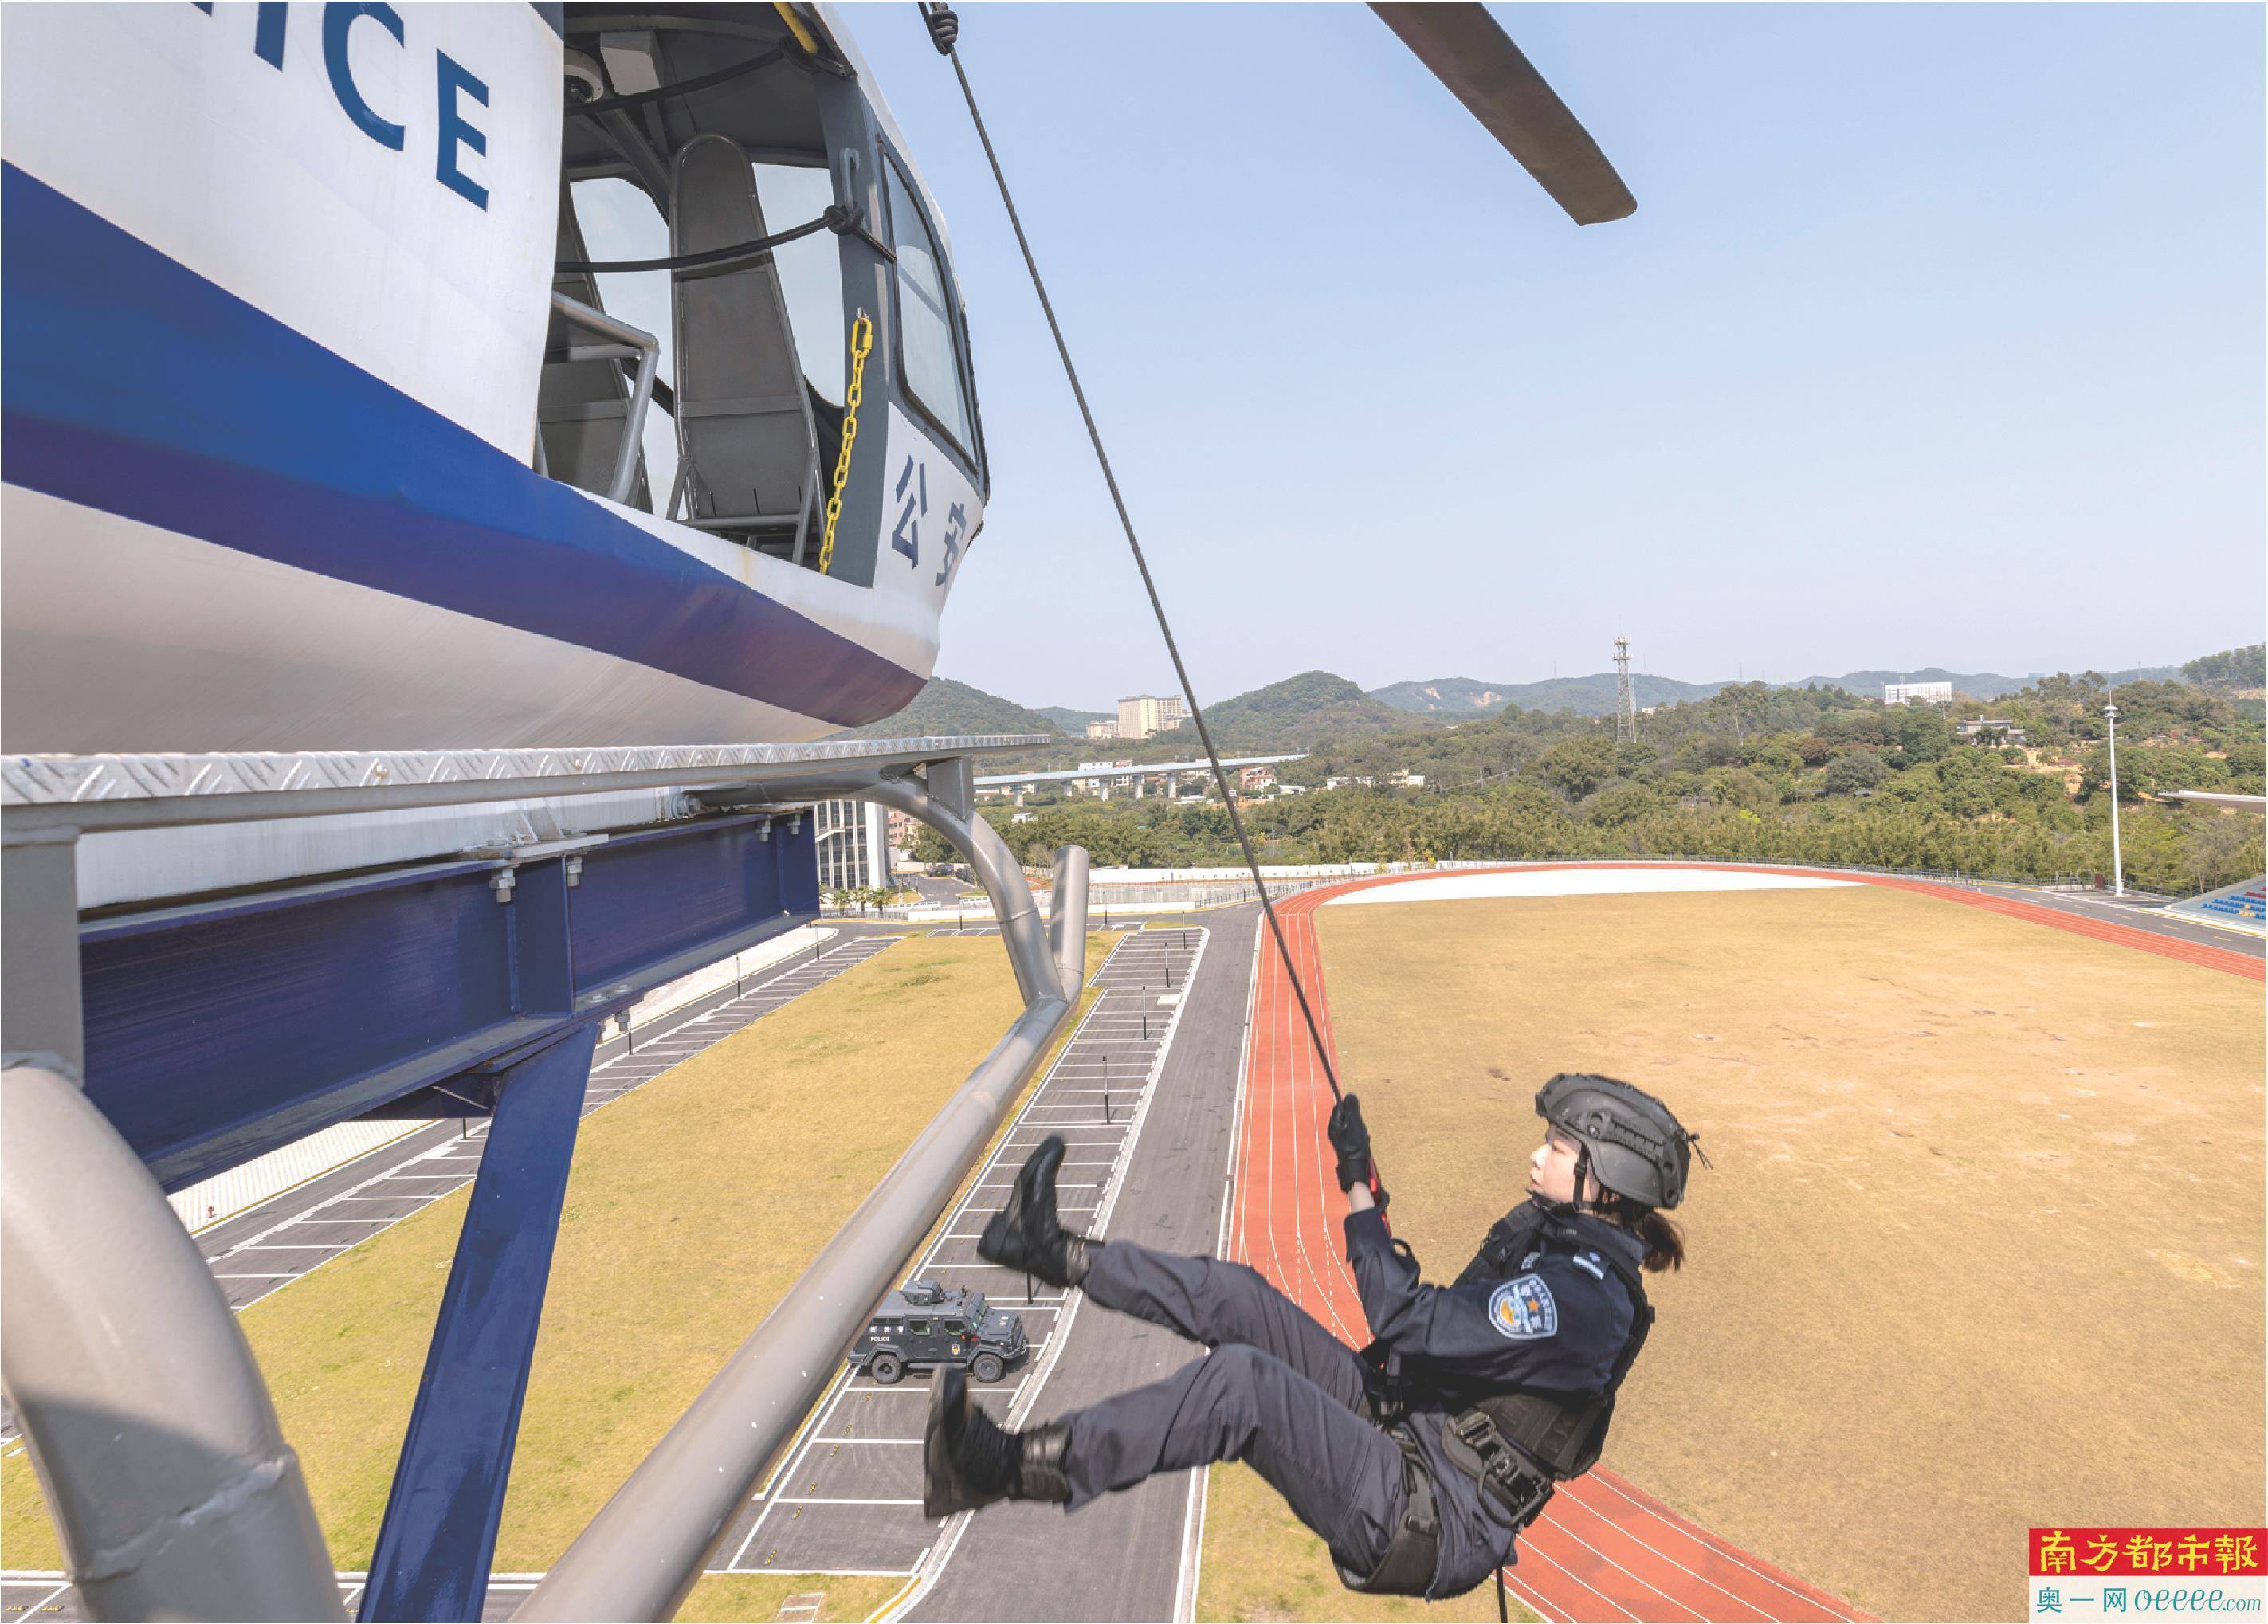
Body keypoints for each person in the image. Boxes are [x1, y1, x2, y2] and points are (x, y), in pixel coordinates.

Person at [923, 1072, 1704, 1602]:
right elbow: (1433, 1329)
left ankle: (999, 1470)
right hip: (1407, 1430)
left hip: (1425, 1512)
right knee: (1238, 1298)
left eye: (1559, 1147)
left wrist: (1357, 1190)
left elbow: (1405, 1319)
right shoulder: (1556, 1246)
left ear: (1605, 1177)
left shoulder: (1578, 1298)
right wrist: (1362, 1175)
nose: (1537, 1154)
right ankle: (1050, 1250)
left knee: (1241, 1385)